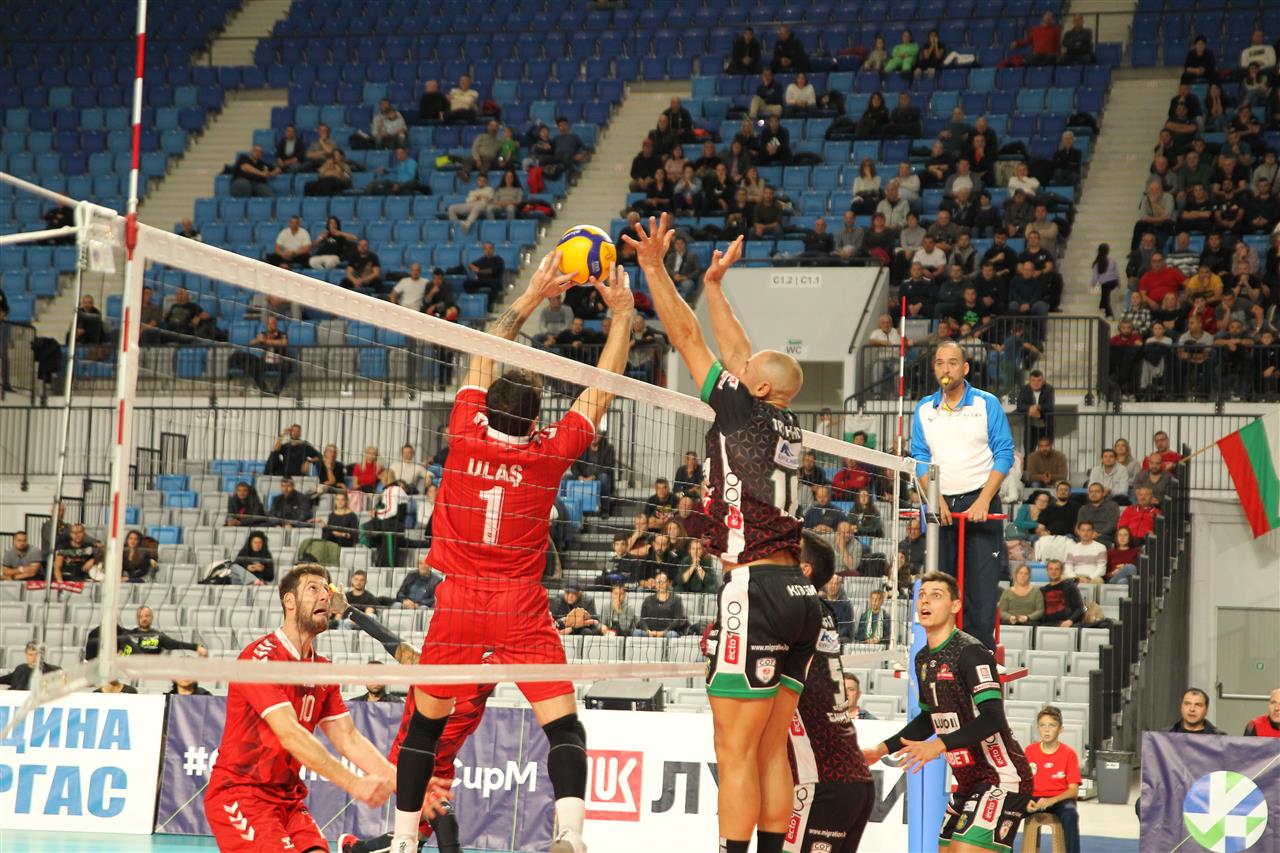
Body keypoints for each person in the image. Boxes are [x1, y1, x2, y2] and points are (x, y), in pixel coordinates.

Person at [389, 253, 636, 853]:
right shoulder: (548, 453)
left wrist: (531, 294)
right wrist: (623, 315)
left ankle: (401, 842)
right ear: (535, 420)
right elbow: (603, 388)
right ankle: (570, 835)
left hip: (458, 602)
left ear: (486, 405)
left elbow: (487, 346)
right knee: (564, 728)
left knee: (425, 727)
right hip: (519, 605)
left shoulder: (463, 430)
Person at [625, 214, 817, 853]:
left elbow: (687, 338)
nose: (736, 364)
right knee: (770, 749)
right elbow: (742, 354)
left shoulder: (741, 408)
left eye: (746, 369)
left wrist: (655, 268)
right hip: (799, 596)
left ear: (755, 387)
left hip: (754, 591)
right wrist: (713, 284)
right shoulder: (786, 424)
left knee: (733, 750)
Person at [204, 565, 397, 851]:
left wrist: (406, 784)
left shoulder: (322, 670)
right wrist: (354, 783)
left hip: (288, 799)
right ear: (289, 601)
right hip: (241, 794)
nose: (325, 596)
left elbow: (349, 739)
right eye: (313, 589)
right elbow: (291, 734)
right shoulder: (260, 659)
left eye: (326, 589)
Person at [864, 572, 1033, 852]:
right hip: (967, 781)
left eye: (936, 595)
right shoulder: (922, 658)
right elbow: (929, 719)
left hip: (1002, 776)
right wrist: (879, 749)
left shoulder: (971, 652)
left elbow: (993, 718)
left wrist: (938, 745)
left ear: (955, 606)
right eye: (922, 595)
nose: (925, 601)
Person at [910, 341, 1013, 651]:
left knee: (980, 591)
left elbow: (1004, 453)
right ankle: (943, 654)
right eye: (940, 363)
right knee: (941, 587)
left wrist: (984, 499)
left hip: (980, 505)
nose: (946, 368)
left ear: (965, 368)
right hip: (941, 505)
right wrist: (934, 497)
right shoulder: (924, 408)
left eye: (953, 362)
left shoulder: (986, 403)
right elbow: (919, 457)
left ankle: (979, 656)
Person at [786, 531, 876, 852]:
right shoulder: (820, 609)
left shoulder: (798, 608)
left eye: (790, 553)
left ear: (804, 570)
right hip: (848, 780)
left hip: (825, 784)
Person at [1024, 706, 1082, 853]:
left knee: (1071, 814)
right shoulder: (1030, 751)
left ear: (1061, 729)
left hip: (1060, 800)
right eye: (1042, 725)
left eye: (1052, 725)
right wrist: (1026, 800)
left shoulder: (1069, 754)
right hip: (1034, 799)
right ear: (1038, 728)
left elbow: (1073, 790)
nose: (1046, 730)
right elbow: (1023, 782)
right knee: (1007, 811)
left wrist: (1051, 800)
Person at [128, 606, 209, 656]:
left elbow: (177, 644)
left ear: (151, 618)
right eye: (141, 616)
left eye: (147, 616)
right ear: (137, 619)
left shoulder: (158, 636)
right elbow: (124, 654)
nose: (144, 619)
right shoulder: (129, 636)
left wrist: (196, 647)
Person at [1015, 370, 1055, 456]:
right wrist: (1030, 408)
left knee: (1046, 453)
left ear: (1043, 381)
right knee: (1029, 452)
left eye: (1039, 380)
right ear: (1029, 381)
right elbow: (1019, 406)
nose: (1036, 383)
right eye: (1033, 380)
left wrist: (1037, 408)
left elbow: (1050, 406)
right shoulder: (1024, 389)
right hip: (1030, 427)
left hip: (1046, 426)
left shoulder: (1049, 389)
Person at [1040, 560, 1086, 627]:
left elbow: (1080, 608)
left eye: (1057, 569)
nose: (1053, 572)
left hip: (1067, 624)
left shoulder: (1070, 586)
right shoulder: (1043, 590)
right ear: (1047, 571)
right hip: (1047, 625)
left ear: (1061, 571)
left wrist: (1071, 620)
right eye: (1051, 569)